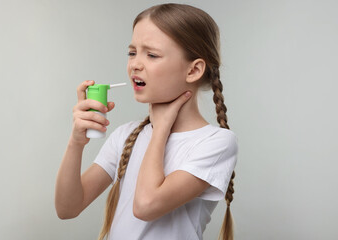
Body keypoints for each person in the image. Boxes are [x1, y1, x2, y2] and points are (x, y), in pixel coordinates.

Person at [55, 3, 238, 240]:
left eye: (151, 55)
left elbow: (146, 206)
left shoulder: (216, 143)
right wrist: (76, 142)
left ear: (193, 71)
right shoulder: (125, 135)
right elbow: (67, 208)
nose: (135, 64)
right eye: (132, 53)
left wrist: (160, 129)